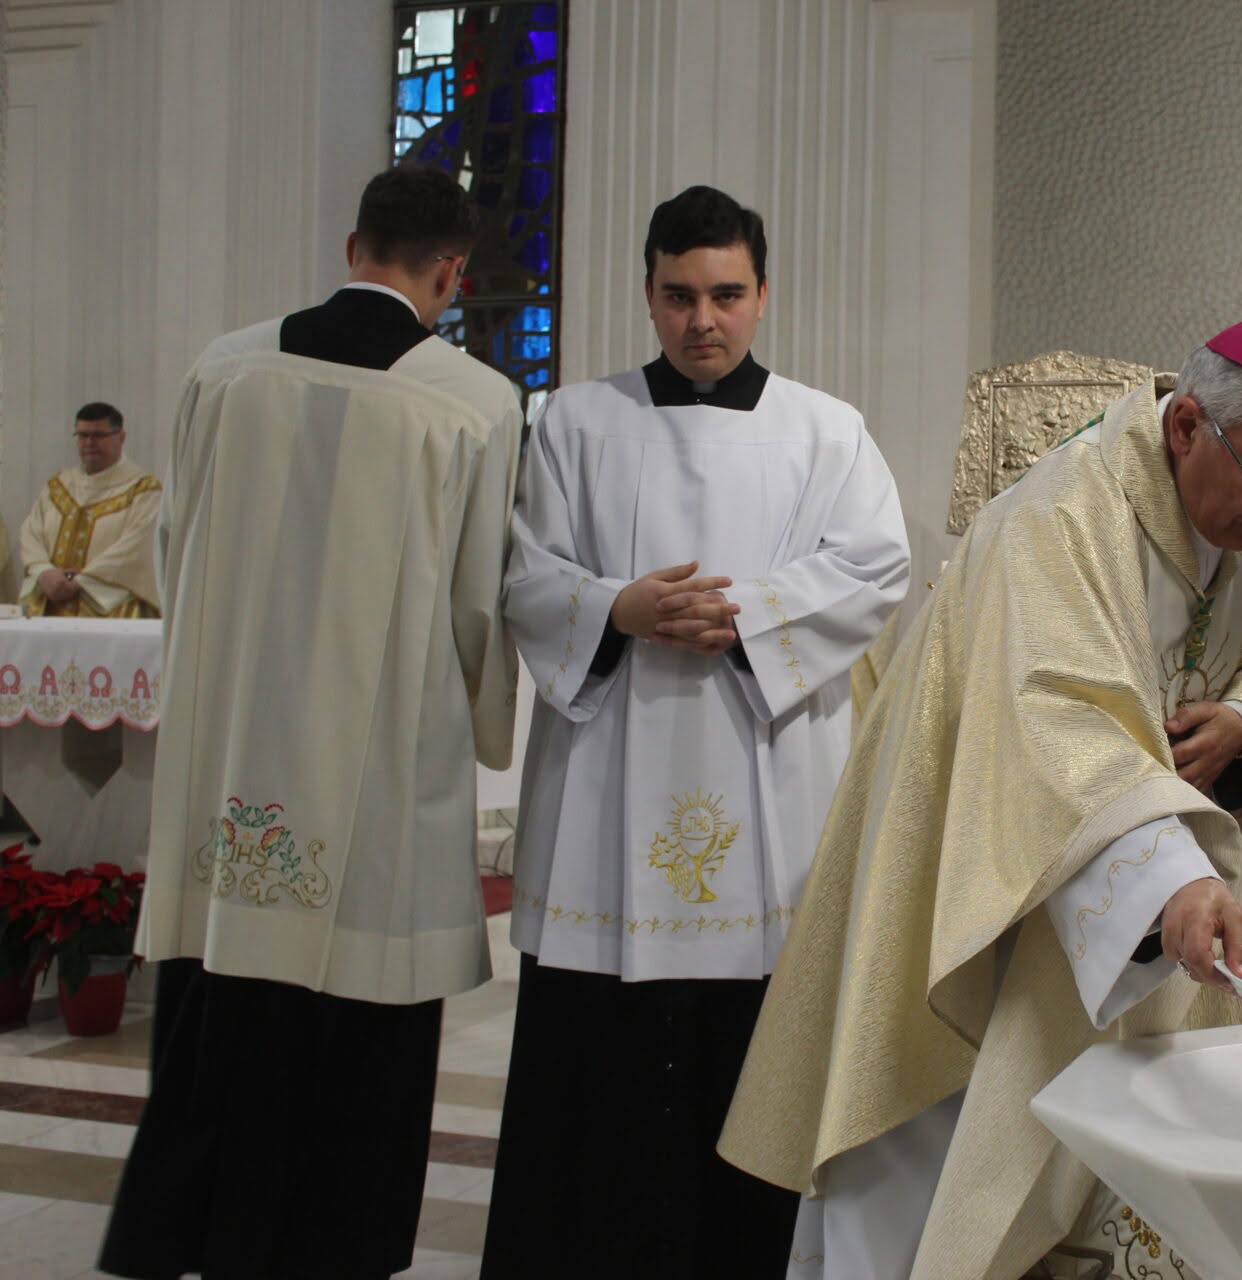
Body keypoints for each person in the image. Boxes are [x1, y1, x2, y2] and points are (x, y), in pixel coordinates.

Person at [719, 314, 1242, 1279]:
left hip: (1147, 888)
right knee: (952, 1157)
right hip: (996, 887)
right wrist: (1174, 881)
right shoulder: (1059, 518)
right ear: (1187, 425)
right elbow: (1059, 719)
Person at [480, 184, 911, 1278]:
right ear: (648, 293)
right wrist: (618, 608)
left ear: (763, 293)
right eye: (679, 296)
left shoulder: (826, 429)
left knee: (748, 1053)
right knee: (600, 1070)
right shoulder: (574, 422)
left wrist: (749, 616)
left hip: (769, 777)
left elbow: (877, 567)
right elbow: (525, 574)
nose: (702, 320)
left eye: (725, 294)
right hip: (607, 784)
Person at [100, 165, 523, 1280]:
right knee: (360, 1041)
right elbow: (479, 606)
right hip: (378, 775)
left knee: (225, 1016)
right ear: (452, 272)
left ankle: (205, 1236)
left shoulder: (225, 367)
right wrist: (484, 725)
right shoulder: (475, 401)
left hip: (230, 754)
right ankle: (336, 1248)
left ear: (352, 247)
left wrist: (220, 677)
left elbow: (174, 552)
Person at [18, 403, 161, 617]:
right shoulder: (58, 485)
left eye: (98, 435)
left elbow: (138, 546)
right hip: (49, 605)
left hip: (111, 610)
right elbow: (31, 533)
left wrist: (82, 581)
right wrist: (43, 571)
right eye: (82, 435)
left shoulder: (142, 489)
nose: (89, 443)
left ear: (121, 437)